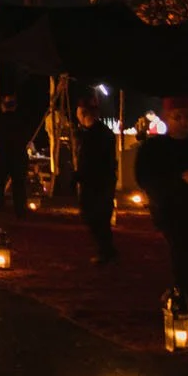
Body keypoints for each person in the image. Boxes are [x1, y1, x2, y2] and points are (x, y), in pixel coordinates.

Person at [135, 96, 188, 318]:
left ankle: (182, 294)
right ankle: (185, 303)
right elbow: (145, 178)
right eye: (178, 117)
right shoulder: (154, 148)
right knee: (181, 255)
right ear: (167, 118)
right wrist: (179, 180)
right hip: (170, 211)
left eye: (187, 117)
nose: (184, 122)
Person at [74, 99, 119, 264]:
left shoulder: (93, 135)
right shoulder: (103, 133)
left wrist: (79, 176)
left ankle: (106, 251)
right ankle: (107, 250)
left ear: (84, 114)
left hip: (95, 182)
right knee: (100, 217)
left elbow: (90, 161)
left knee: (94, 216)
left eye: (78, 113)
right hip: (104, 180)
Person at [0, 94, 32, 217]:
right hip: (19, 155)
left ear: (2, 106)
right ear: (15, 106)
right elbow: (28, 137)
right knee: (19, 184)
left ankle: (0, 205)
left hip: (3, 155)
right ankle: (20, 209)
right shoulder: (22, 120)